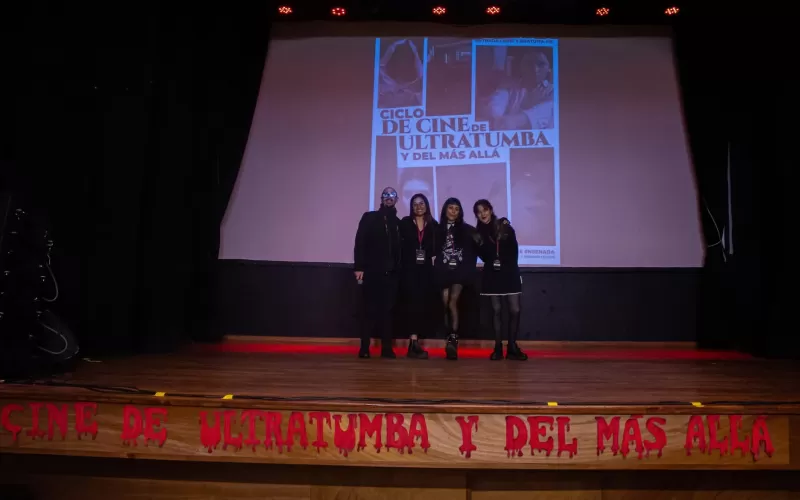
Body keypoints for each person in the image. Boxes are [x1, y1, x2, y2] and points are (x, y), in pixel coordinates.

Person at [474, 199, 528, 361]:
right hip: (492, 273)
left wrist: (508, 265)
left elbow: (514, 250)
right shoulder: (478, 233)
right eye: (479, 212)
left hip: (509, 272)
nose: (483, 214)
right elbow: (483, 257)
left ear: (490, 210)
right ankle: (497, 348)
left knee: (515, 310)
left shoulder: (504, 226)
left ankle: (512, 347)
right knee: (496, 311)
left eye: (485, 210)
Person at [353, 187, 402, 359]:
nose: (389, 197)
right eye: (386, 195)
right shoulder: (370, 217)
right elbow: (360, 242)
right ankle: (365, 348)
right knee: (368, 311)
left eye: (392, 195)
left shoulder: (398, 223)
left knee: (388, 313)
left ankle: (387, 348)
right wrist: (359, 267)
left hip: (392, 275)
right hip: (372, 272)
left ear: (396, 199)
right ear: (381, 199)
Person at [434, 197, 479, 360]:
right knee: (445, 303)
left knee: (452, 301)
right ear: (445, 209)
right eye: (451, 208)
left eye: (457, 209)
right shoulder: (437, 229)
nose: (453, 211)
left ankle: (453, 339)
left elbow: (475, 251)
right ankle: (448, 337)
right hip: (443, 270)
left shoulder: (467, 229)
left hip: (459, 272)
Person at [398, 194, 439, 359]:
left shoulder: (434, 225)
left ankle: (415, 343)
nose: (419, 206)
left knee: (422, 306)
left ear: (426, 205)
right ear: (411, 207)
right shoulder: (405, 223)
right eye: (415, 204)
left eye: (421, 203)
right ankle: (413, 342)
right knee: (411, 305)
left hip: (426, 271)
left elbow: (437, 247)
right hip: (409, 270)